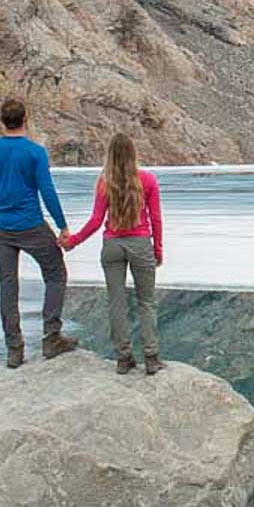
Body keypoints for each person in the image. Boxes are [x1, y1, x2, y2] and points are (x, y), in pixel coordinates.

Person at [0, 97, 78, 368]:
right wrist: (62, 225)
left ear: (2, 120)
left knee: (8, 284)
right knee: (55, 272)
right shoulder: (35, 152)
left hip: (0, 228)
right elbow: (47, 191)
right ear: (25, 119)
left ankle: (14, 349)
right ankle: (51, 336)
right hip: (31, 224)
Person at [64, 133, 164, 375]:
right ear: (133, 153)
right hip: (140, 244)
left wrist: (74, 241)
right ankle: (151, 358)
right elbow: (156, 218)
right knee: (146, 302)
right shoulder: (147, 180)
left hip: (112, 246)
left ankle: (123, 357)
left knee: (116, 303)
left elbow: (96, 220)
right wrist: (158, 248)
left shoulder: (104, 181)